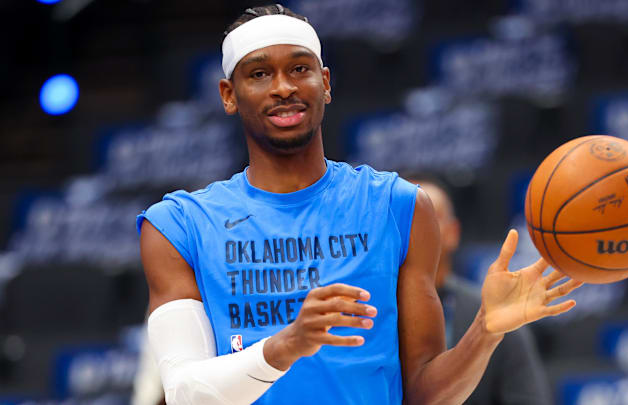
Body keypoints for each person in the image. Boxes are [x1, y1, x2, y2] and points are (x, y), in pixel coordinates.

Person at [137, 5, 583, 405]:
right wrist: (288, 343)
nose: (283, 88)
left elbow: (425, 394)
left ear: (325, 83)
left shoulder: (399, 206)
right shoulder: (179, 225)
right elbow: (184, 392)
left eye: (299, 69)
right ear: (228, 95)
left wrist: (485, 330)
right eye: (258, 74)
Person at [412, 178, 553, 405]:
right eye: (402, 219)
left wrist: (486, 331)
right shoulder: (364, 311)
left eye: (426, 217)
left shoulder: (497, 315)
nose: (413, 229)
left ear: (453, 232)